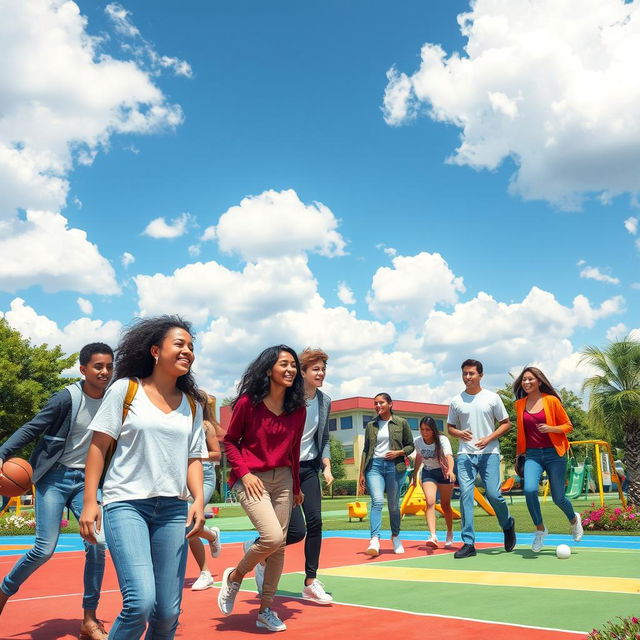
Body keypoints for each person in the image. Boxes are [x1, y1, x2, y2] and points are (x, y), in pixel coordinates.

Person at [79, 316, 207, 640]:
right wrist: (90, 501)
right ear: (155, 350)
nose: (187, 351)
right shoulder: (126, 389)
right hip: (126, 505)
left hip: (172, 510)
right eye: (179, 344)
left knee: (167, 613)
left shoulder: (192, 405)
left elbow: (194, 458)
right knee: (139, 603)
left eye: (191, 346)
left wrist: (199, 502)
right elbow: (98, 446)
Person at [0, 343, 113, 640]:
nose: (104, 372)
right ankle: (4, 590)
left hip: (87, 481)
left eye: (109, 366)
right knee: (44, 549)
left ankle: (89, 619)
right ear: (83, 369)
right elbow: (32, 428)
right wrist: (2, 454)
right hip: (53, 477)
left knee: (98, 544)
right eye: (98, 366)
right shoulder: (67, 398)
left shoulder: (113, 400)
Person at [218, 345, 306, 633]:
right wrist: (244, 474)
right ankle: (235, 575)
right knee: (270, 537)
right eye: (284, 364)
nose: (290, 369)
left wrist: (295, 486)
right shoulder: (247, 403)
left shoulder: (297, 410)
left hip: (283, 479)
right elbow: (230, 442)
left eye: (293, 364)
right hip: (250, 478)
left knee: (279, 545)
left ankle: (266, 609)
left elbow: (293, 450)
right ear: (269, 369)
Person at [244, 348, 334, 604]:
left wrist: (326, 465)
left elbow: (323, 437)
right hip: (284, 470)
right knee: (294, 532)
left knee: (316, 522)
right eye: (315, 369)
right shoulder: (286, 399)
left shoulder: (325, 401)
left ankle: (310, 581)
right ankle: (259, 548)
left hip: (308, 468)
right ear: (302, 373)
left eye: (323, 369)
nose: (321, 373)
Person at [447, 359, 516, 559]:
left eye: (471, 374)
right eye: (464, 374)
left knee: (494, 495)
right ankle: (469, 543)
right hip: (465, 454)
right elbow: (450, 428)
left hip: (489, 453)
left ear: (480, 375)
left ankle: (507, 524)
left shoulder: (492, 398)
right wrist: (459, 433)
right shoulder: (456, 401)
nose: (467, 377)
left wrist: (489, 438)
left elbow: (506, 423)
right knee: (466, 495)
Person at [513, 367, 583, 552]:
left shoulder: (551, 401)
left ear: (539, 381)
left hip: (555, 454)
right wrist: (519, 454)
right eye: (524, 380)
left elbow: (568, 425)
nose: (526, 383)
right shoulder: (519, 404)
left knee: (558, 497)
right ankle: (540, 530)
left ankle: (574, 519)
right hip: (532, 455)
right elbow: (521, 431)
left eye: (530, 379)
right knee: (529, 490)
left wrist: (551, 429)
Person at [358, 393, 414, 557]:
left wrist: (399, 452)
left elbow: (410, 446)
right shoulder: (371, 425)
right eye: (375, 403)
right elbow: (366, 450)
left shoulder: (401, 423)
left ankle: (395, 537)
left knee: (394, 505)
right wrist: (361, 473)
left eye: (381, 403)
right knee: (377, 501)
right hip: (374, 466)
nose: (378, 406)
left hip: (395, 467)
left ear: (390, 404)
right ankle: (374, 539)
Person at [189, 393, 222, 591]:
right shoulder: (180, 422)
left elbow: (217, 453)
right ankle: (211, 536)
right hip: (182, 477)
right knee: (186, 526)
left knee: (189, 523)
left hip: (206, 476)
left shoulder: (206, 426)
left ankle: (205, 573)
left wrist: (195, 456)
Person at [411, 416, 456, 549]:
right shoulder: (418, 442)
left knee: (445, 505)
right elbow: (419, 457)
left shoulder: (442, 440)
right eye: (422, 429)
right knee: (430, 501)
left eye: (428, 430)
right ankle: (433, 535)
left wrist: (451, 471)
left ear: (433, 430)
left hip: (444, 472)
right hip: (428, 473)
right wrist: (415, 474)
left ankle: (449, 533)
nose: (424, 432)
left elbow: (449, 457)